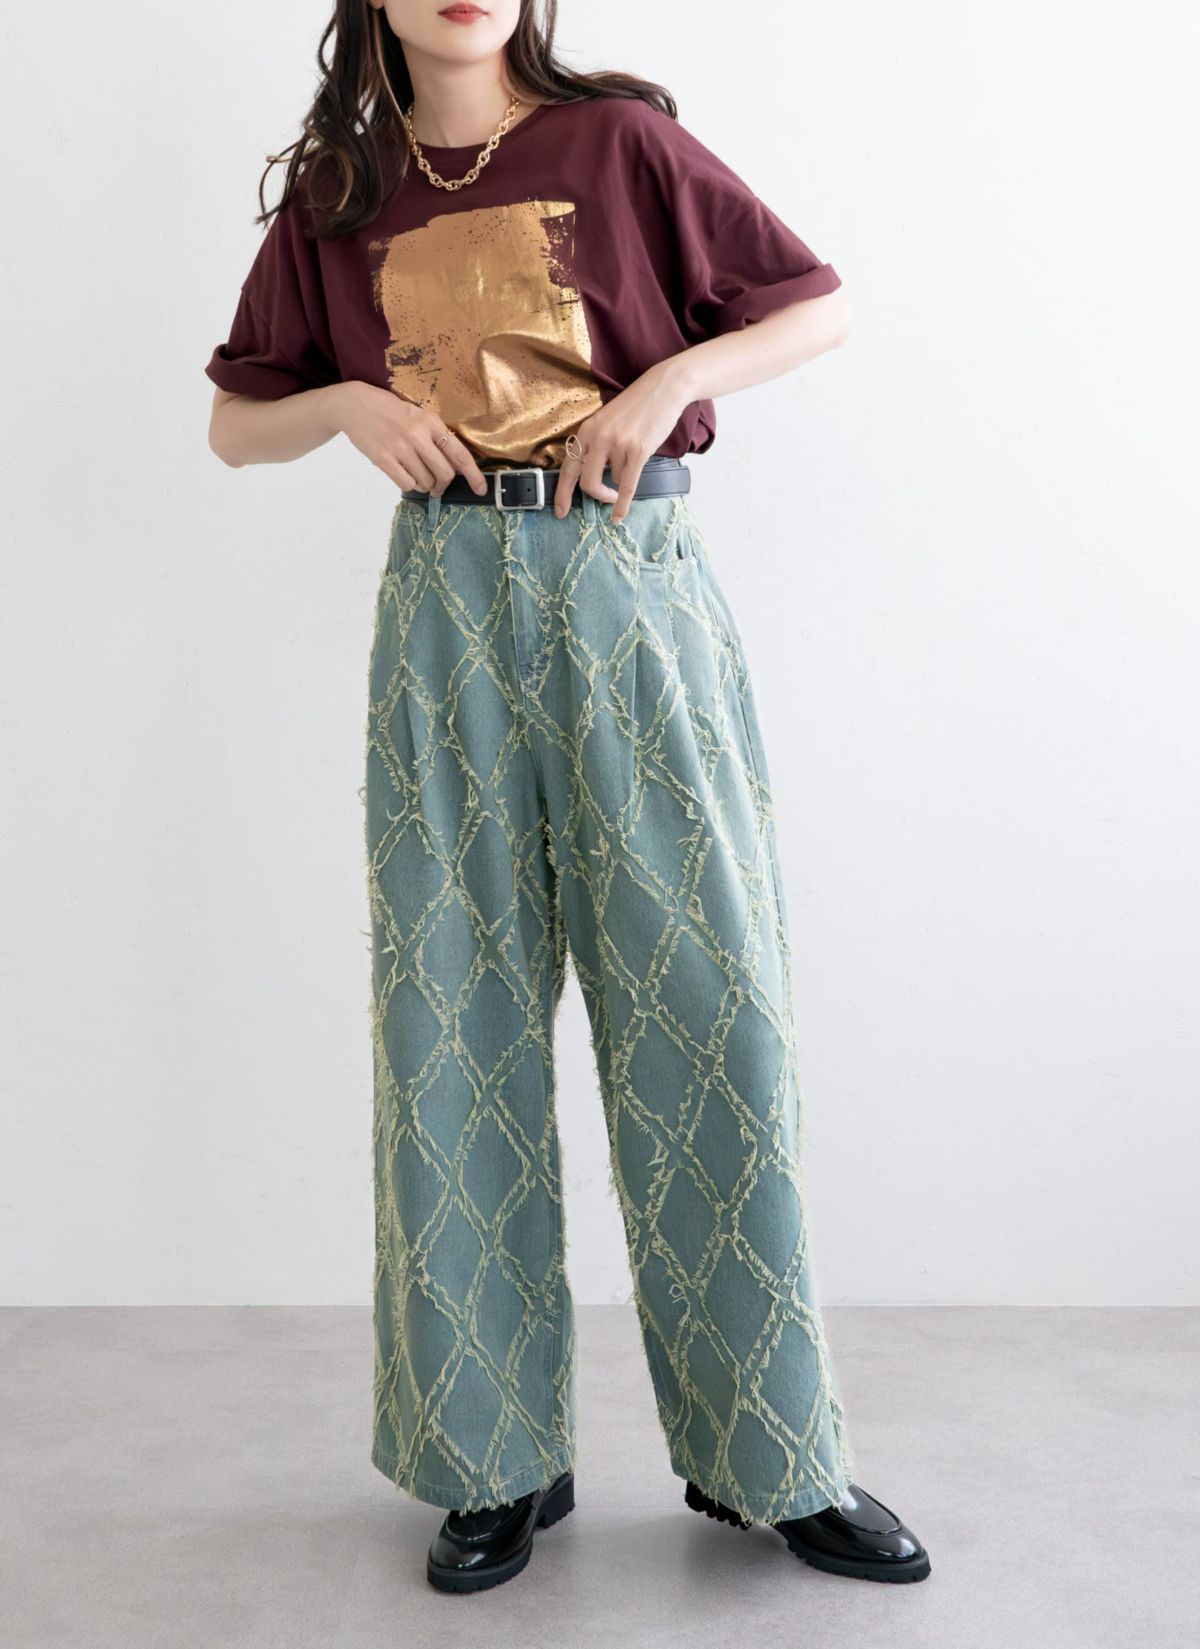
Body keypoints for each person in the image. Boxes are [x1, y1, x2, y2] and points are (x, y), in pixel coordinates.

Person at [205, 0, 931, 1595]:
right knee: (447, 1018)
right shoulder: (341, 192)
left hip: (632, 581)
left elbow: (815, 307)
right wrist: (346, 407)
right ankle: (494, 1457)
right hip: (445, 609)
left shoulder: (619, 145)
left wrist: (671, 379)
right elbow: (233, 422)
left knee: (709, 1004)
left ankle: (770, 1451)